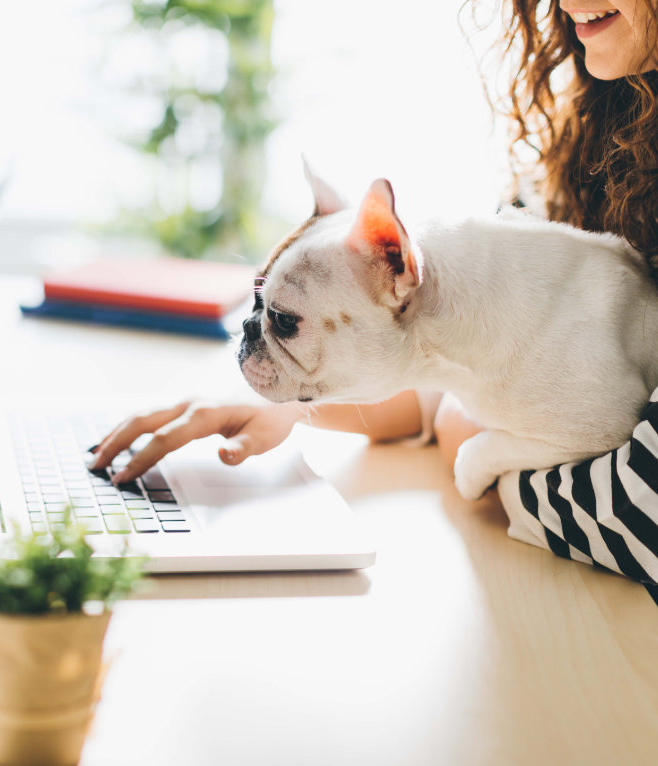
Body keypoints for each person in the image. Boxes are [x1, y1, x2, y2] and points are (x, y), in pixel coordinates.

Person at [89, 1, 658, 586]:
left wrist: (477, 447)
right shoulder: (583, 141)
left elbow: (627, 511)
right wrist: (295, 406)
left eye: (284, 322)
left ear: (396, 259)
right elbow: (449, 352)